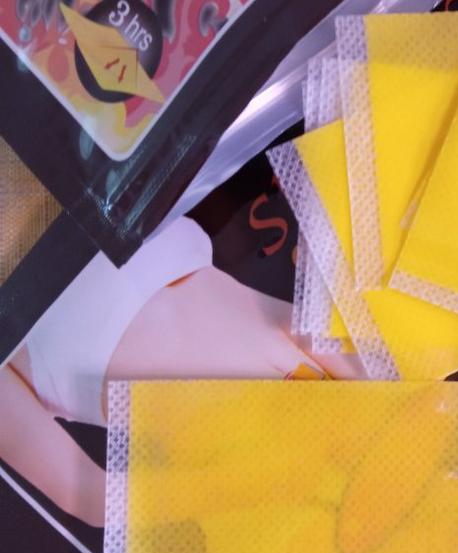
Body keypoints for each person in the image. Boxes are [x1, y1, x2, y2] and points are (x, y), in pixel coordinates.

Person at [0, 216, 363, 526]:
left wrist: (251, 485)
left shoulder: (257, 488)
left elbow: (88, 496)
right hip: (136, 219)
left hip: (54, 328)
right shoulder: (352, 394)